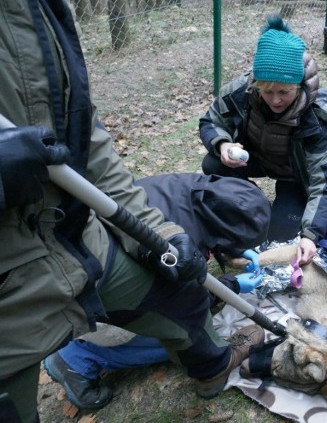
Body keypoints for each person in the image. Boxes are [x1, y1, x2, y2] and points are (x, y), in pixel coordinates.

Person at [0, 0, 265, 421]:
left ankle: (212, 369)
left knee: (184, 290)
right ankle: (75, 361)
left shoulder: (40, 8)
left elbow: (87, 135)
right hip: (8, 280)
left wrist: (161, 238)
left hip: (74, 238)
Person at [44, 172, 271, 410]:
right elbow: (185, 301)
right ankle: (78, 357)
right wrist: (233, 286)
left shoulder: (183, 189)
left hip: (74, 269)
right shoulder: (170, 247)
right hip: (90, 301)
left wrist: (231, 249)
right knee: (192, 332)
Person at [199, 14, 327, 266]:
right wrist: (223, 144)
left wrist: (311, 235)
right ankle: (253, 203)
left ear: (299, 86)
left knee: (280, 236)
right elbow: (210, 121)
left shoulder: (315, 117)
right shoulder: (240, 92)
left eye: (284, 92)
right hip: (255, 158)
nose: (275, 100)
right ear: (256, 84)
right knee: (213, 163)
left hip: (295, 175)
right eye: (267, 91)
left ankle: (279, 211)